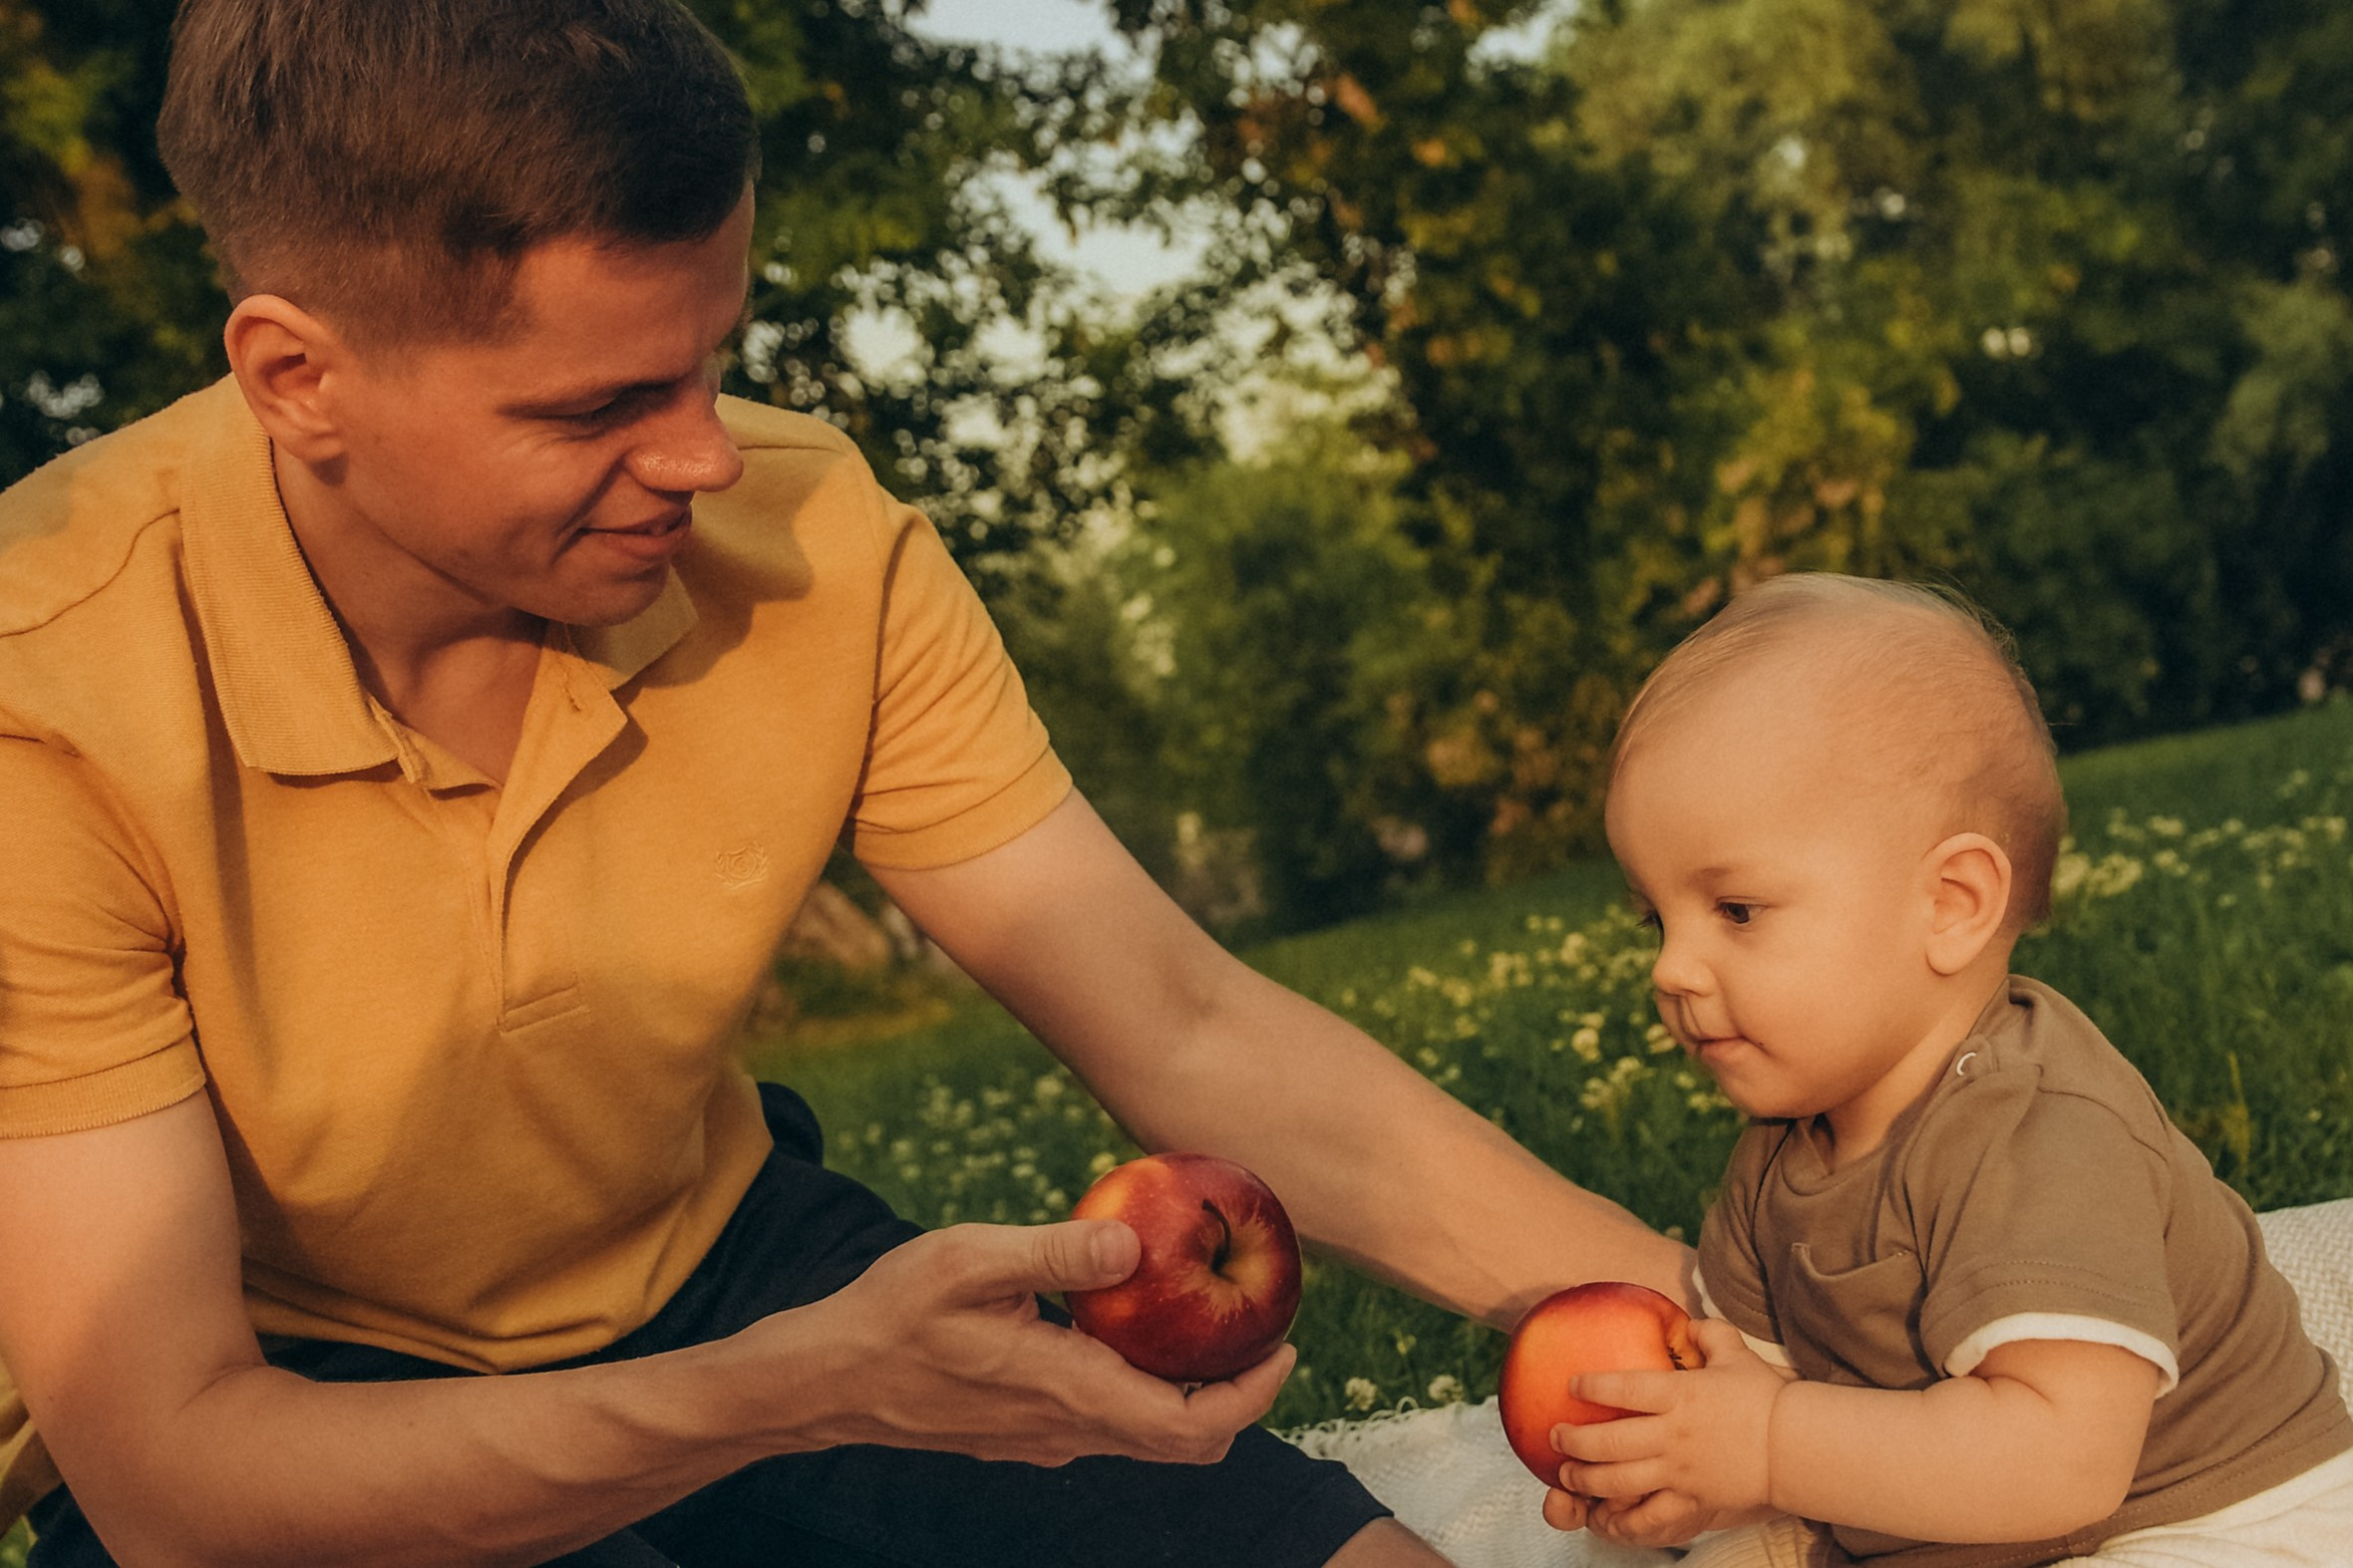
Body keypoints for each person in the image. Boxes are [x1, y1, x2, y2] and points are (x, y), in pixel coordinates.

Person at [0, 2, 1692, 1564]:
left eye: (711, 358)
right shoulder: (46, 692)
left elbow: (1179, 1017)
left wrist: (1685, 1307)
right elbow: (177, 1466)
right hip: (303, 1408)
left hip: (730, 1268)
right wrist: (805, 1389)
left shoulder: (808, 543)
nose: (702, 457)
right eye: (601, 403)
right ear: (301, 379)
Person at [1546, 574, 2353, 1565]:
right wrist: (1692, 1468)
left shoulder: (2039, 1135)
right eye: (1652, 918)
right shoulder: (1775, 1162)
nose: (1669, 969)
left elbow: (2061, 1464)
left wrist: (1764, 1444)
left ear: (1950, 903)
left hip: (2203, 1515)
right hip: (1958, 1523)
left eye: (1737, 910)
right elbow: (1752, 1394)